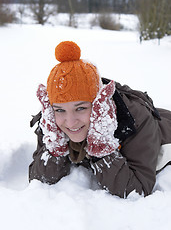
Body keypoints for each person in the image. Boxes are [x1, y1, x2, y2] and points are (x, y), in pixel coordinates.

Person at [29, 41, 171, 198]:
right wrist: (54, 146)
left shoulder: (135, 120)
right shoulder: (51, 119)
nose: (70, 122)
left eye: (81, 108)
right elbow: (38, 180)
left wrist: (102, 148)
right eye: (60, 110)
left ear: (99, 104)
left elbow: (137, 191)